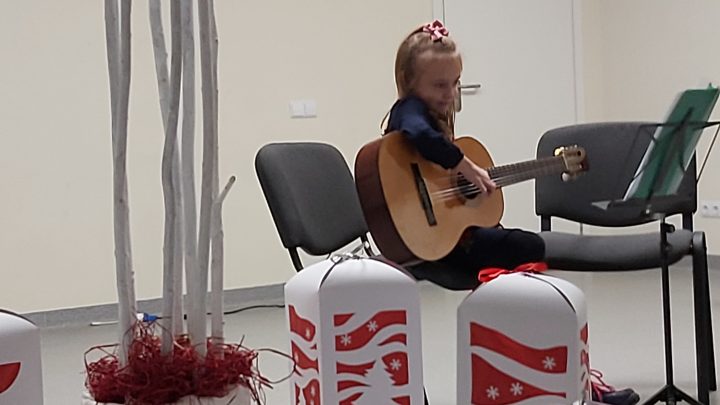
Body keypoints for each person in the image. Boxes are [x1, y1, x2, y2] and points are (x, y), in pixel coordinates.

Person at [383, 20, 640, 405]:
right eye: (439, 85)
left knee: (505, 238)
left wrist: (470, 185)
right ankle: (572, 377)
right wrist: (463, 164)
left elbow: (442, 176)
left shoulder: (428, 113)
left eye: (455, 83)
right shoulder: (408, 112)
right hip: (435, 248)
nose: (450, 94)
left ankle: (561, 372)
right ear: (408, 81)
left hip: (449, 238)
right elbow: (420, 135)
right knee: (527, 247)